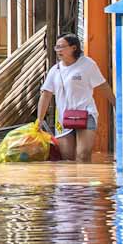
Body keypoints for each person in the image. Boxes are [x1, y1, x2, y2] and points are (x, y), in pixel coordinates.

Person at [37, 33, 109, 163]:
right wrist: (39, 121)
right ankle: (72, 183)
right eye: (56, 47)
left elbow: (102, 85)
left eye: (62, 47)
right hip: (64, 118)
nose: (58, 50)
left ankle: (83, 182)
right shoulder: (55, 70)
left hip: (87, 113)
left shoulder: (87, 64)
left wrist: (116, 104)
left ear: (73, 48)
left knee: (83, 155)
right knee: (67, 159)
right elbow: (46, 95)